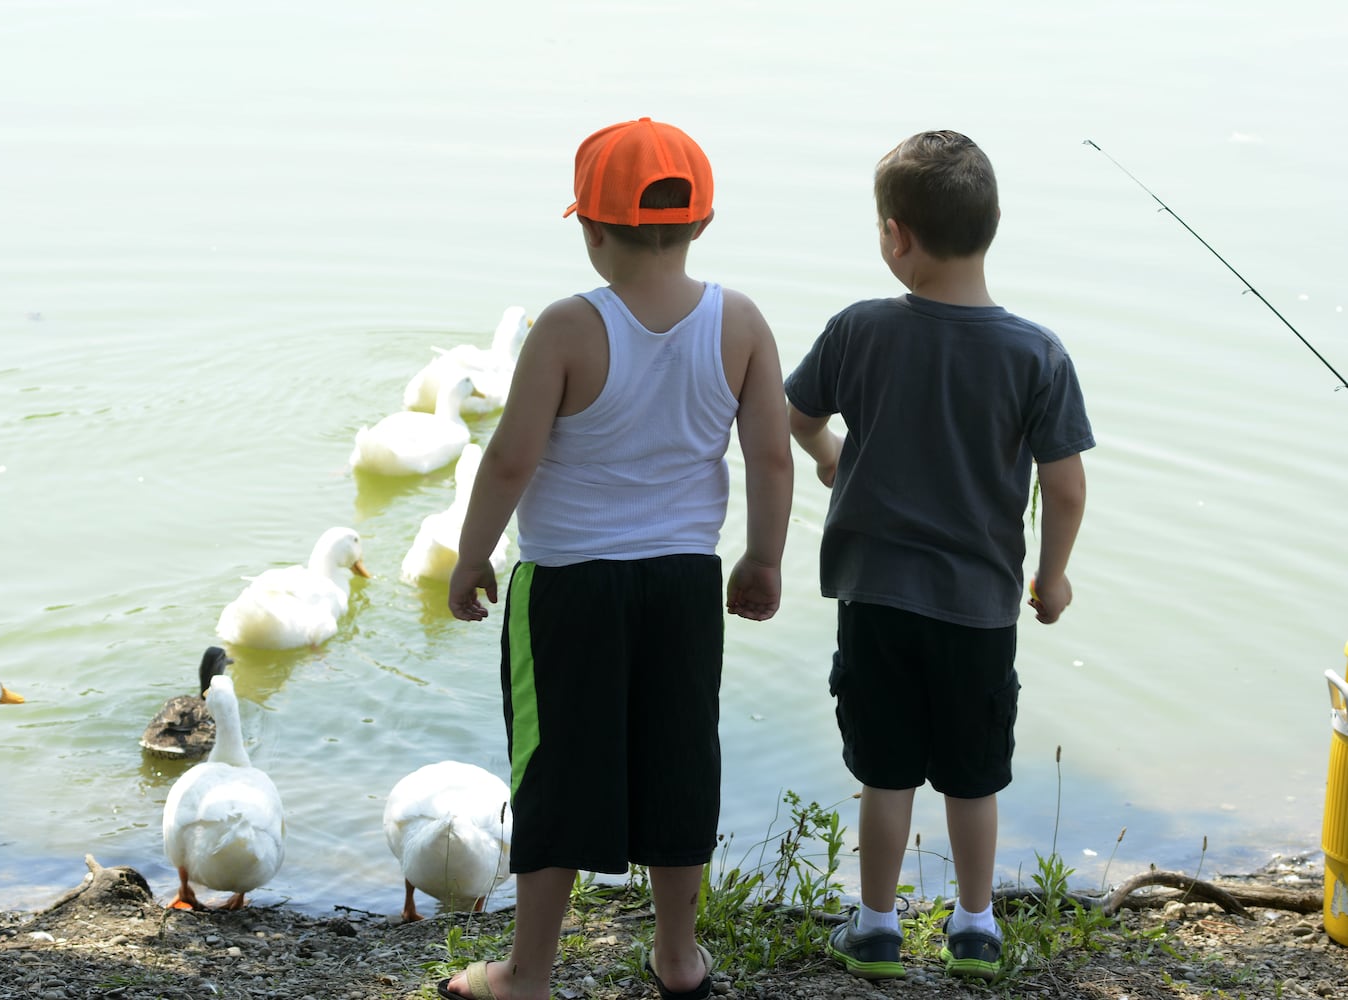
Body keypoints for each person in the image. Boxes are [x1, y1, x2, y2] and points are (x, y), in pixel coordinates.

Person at [438, 117, 793, 1000]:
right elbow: (774, 455)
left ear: (592, 232)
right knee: (679, 758)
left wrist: (470, 556)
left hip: (568, 586)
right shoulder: (739, 321)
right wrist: (764, 559)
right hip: (683, 582)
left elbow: (510, 460)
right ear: (701, 225)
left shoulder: (567, 327)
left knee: (554, 765)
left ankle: (528, 972)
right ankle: (677, 958)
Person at [784, 130, 1094, 982]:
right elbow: (1064, 489)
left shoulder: (859, 331)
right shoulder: (1037, 353)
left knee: (886, 773)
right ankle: (974, 927)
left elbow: (797, 416)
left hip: (876, 598)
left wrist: (830, 460)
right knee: (972, 774)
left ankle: (878, 926)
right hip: (981, 609)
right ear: (993, 225)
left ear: (895, 235)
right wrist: (1053, 575)